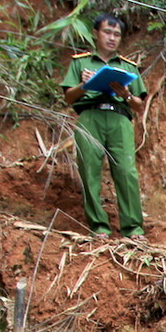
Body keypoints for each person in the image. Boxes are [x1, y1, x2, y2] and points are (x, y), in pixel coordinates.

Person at [60, 13, 148, 237]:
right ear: (95, 33)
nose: (112, 38)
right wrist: (84, 85)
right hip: (90, 116)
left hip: (120, 118)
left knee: (126, 171)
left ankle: (133, 229)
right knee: (89, 169)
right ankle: (98, 227)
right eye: (107, 32)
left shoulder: (128, 67)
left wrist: (126, 95)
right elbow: (69, 98)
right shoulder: (81, 62)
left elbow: (139, 105)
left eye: (116, 34)